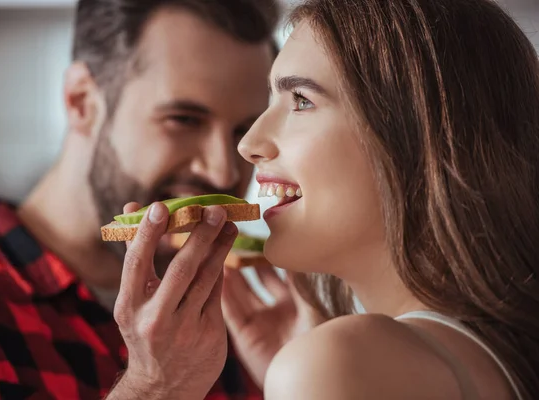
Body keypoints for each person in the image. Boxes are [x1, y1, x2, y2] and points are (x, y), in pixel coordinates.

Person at [112, 0, 539, 398]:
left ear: (416, 137)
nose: (250, 145)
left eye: (301, 100)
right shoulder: (495, 356)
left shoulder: (337, 364)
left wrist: (153, 386)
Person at [0, 1, 317, 399]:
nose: (222, 173)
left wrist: (301, 385)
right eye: (184, 119)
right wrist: (153, 388)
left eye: (243, 129)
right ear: (81, 101)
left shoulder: (242, 331)